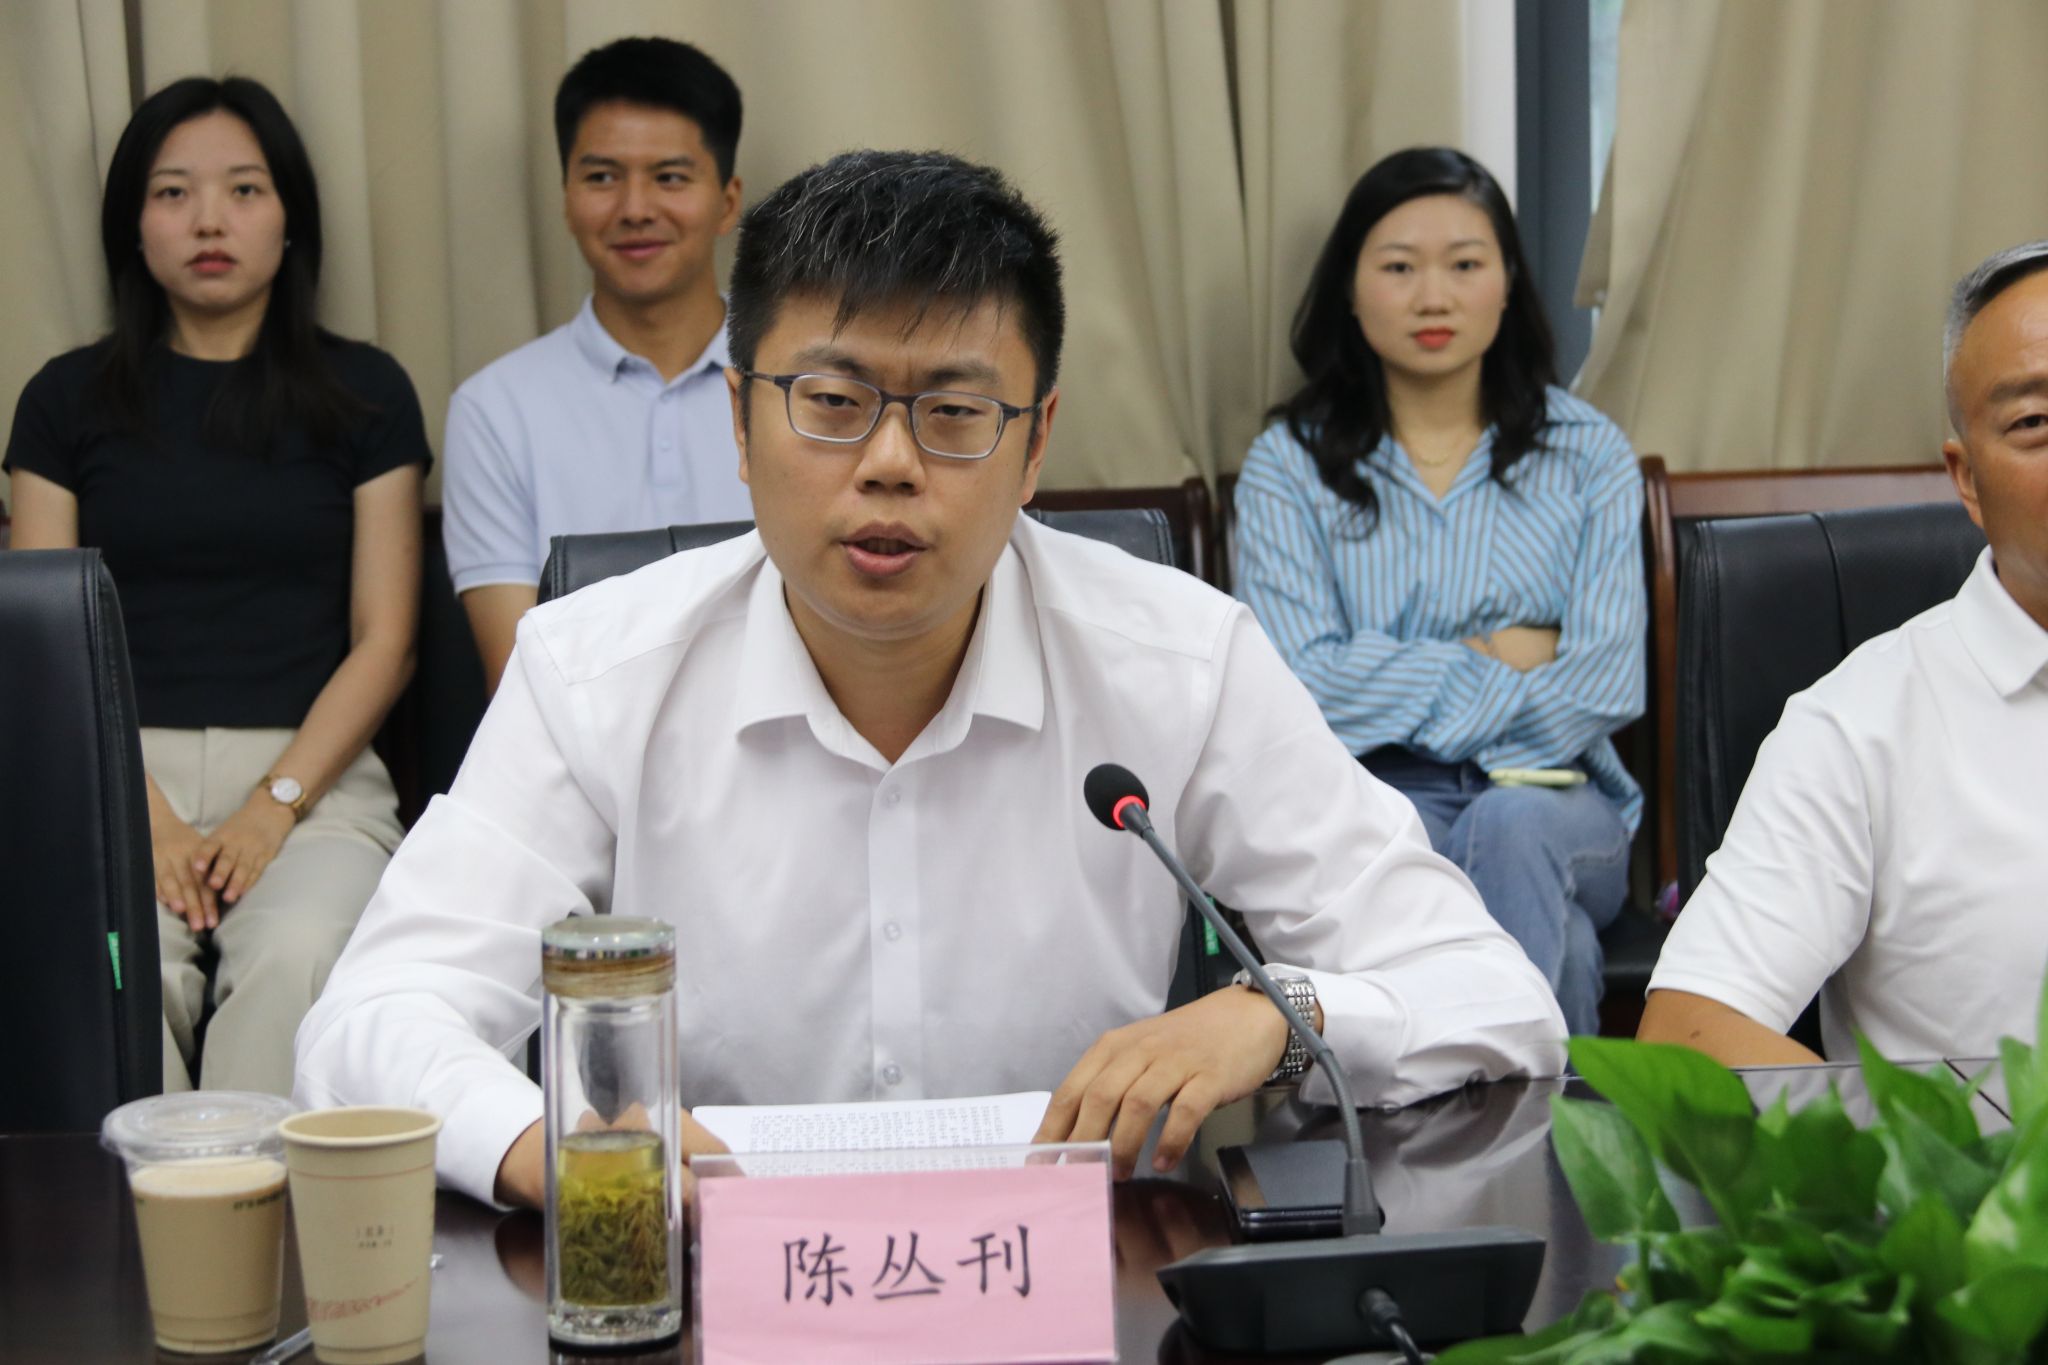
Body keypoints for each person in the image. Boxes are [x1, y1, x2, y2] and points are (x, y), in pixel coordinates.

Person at [295, 149, 1567, 1209]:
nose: (890, 465)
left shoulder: (1180, 660)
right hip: (713, 1288)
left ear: (1035, 443)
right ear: (737, 421)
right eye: (831, 402)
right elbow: (372, 1021)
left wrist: (1280, 1014)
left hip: (1072, 1296)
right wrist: (558, 1147)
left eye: (955, 414)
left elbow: (1494, 998)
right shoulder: (595, 669)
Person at [4, 77, 429, 1095]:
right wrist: (145, 820)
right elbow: (45, 645)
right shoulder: (62, 401)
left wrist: (273, 807)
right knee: (118, 968)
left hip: (314, 777)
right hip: (111, 774)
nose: (208, 221)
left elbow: (387, 640)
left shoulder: (368, 394)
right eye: (173, 193)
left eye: (244, 190)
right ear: (133, 224)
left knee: (296, 953)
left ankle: (257, 1203)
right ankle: (139, 1203)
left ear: (290, 219)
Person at [1232, 148, 1646, 1036]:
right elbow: (1298, 685)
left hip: (1558, 793)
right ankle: (1540, 1125)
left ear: (1507, 283)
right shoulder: (1288, 467)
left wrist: (1390, 676)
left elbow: (1608, 682)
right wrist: (1497, 657)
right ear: (1350, 290)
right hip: (1377, 797)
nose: (1434, 297)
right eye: (1398, 268)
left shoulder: (1590, 454)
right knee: (1566, 949)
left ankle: (1457, 1114)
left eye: (1464, 264)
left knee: (1510, 825)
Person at [1640, 240, 2048, 1066]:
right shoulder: (1860, 729)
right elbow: (1689, 1034)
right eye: (2035, 422)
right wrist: (1924, 1145)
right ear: (1967, 478)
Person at [444, 37, 749, 694]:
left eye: (670, 177)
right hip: (578, 754)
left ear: (727, 202)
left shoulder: (801, 388)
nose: (635, 208)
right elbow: (519, 682)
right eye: (603, 177)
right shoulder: (494, 409)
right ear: (566, 197)